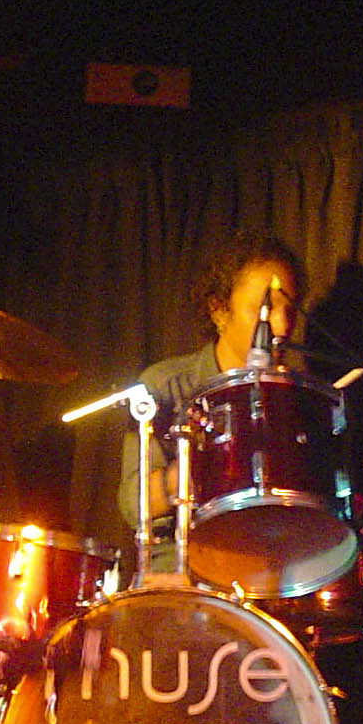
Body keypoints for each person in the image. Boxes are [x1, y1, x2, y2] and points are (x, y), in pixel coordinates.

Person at [116, 232, 306, 543]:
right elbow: (131, 504)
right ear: (219, 310)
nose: (283, 326)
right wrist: (206, 465)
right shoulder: (166, 386)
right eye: (265, 309)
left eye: (290, 310)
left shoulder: (296, 395)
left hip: (275, 563)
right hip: (185, 568)